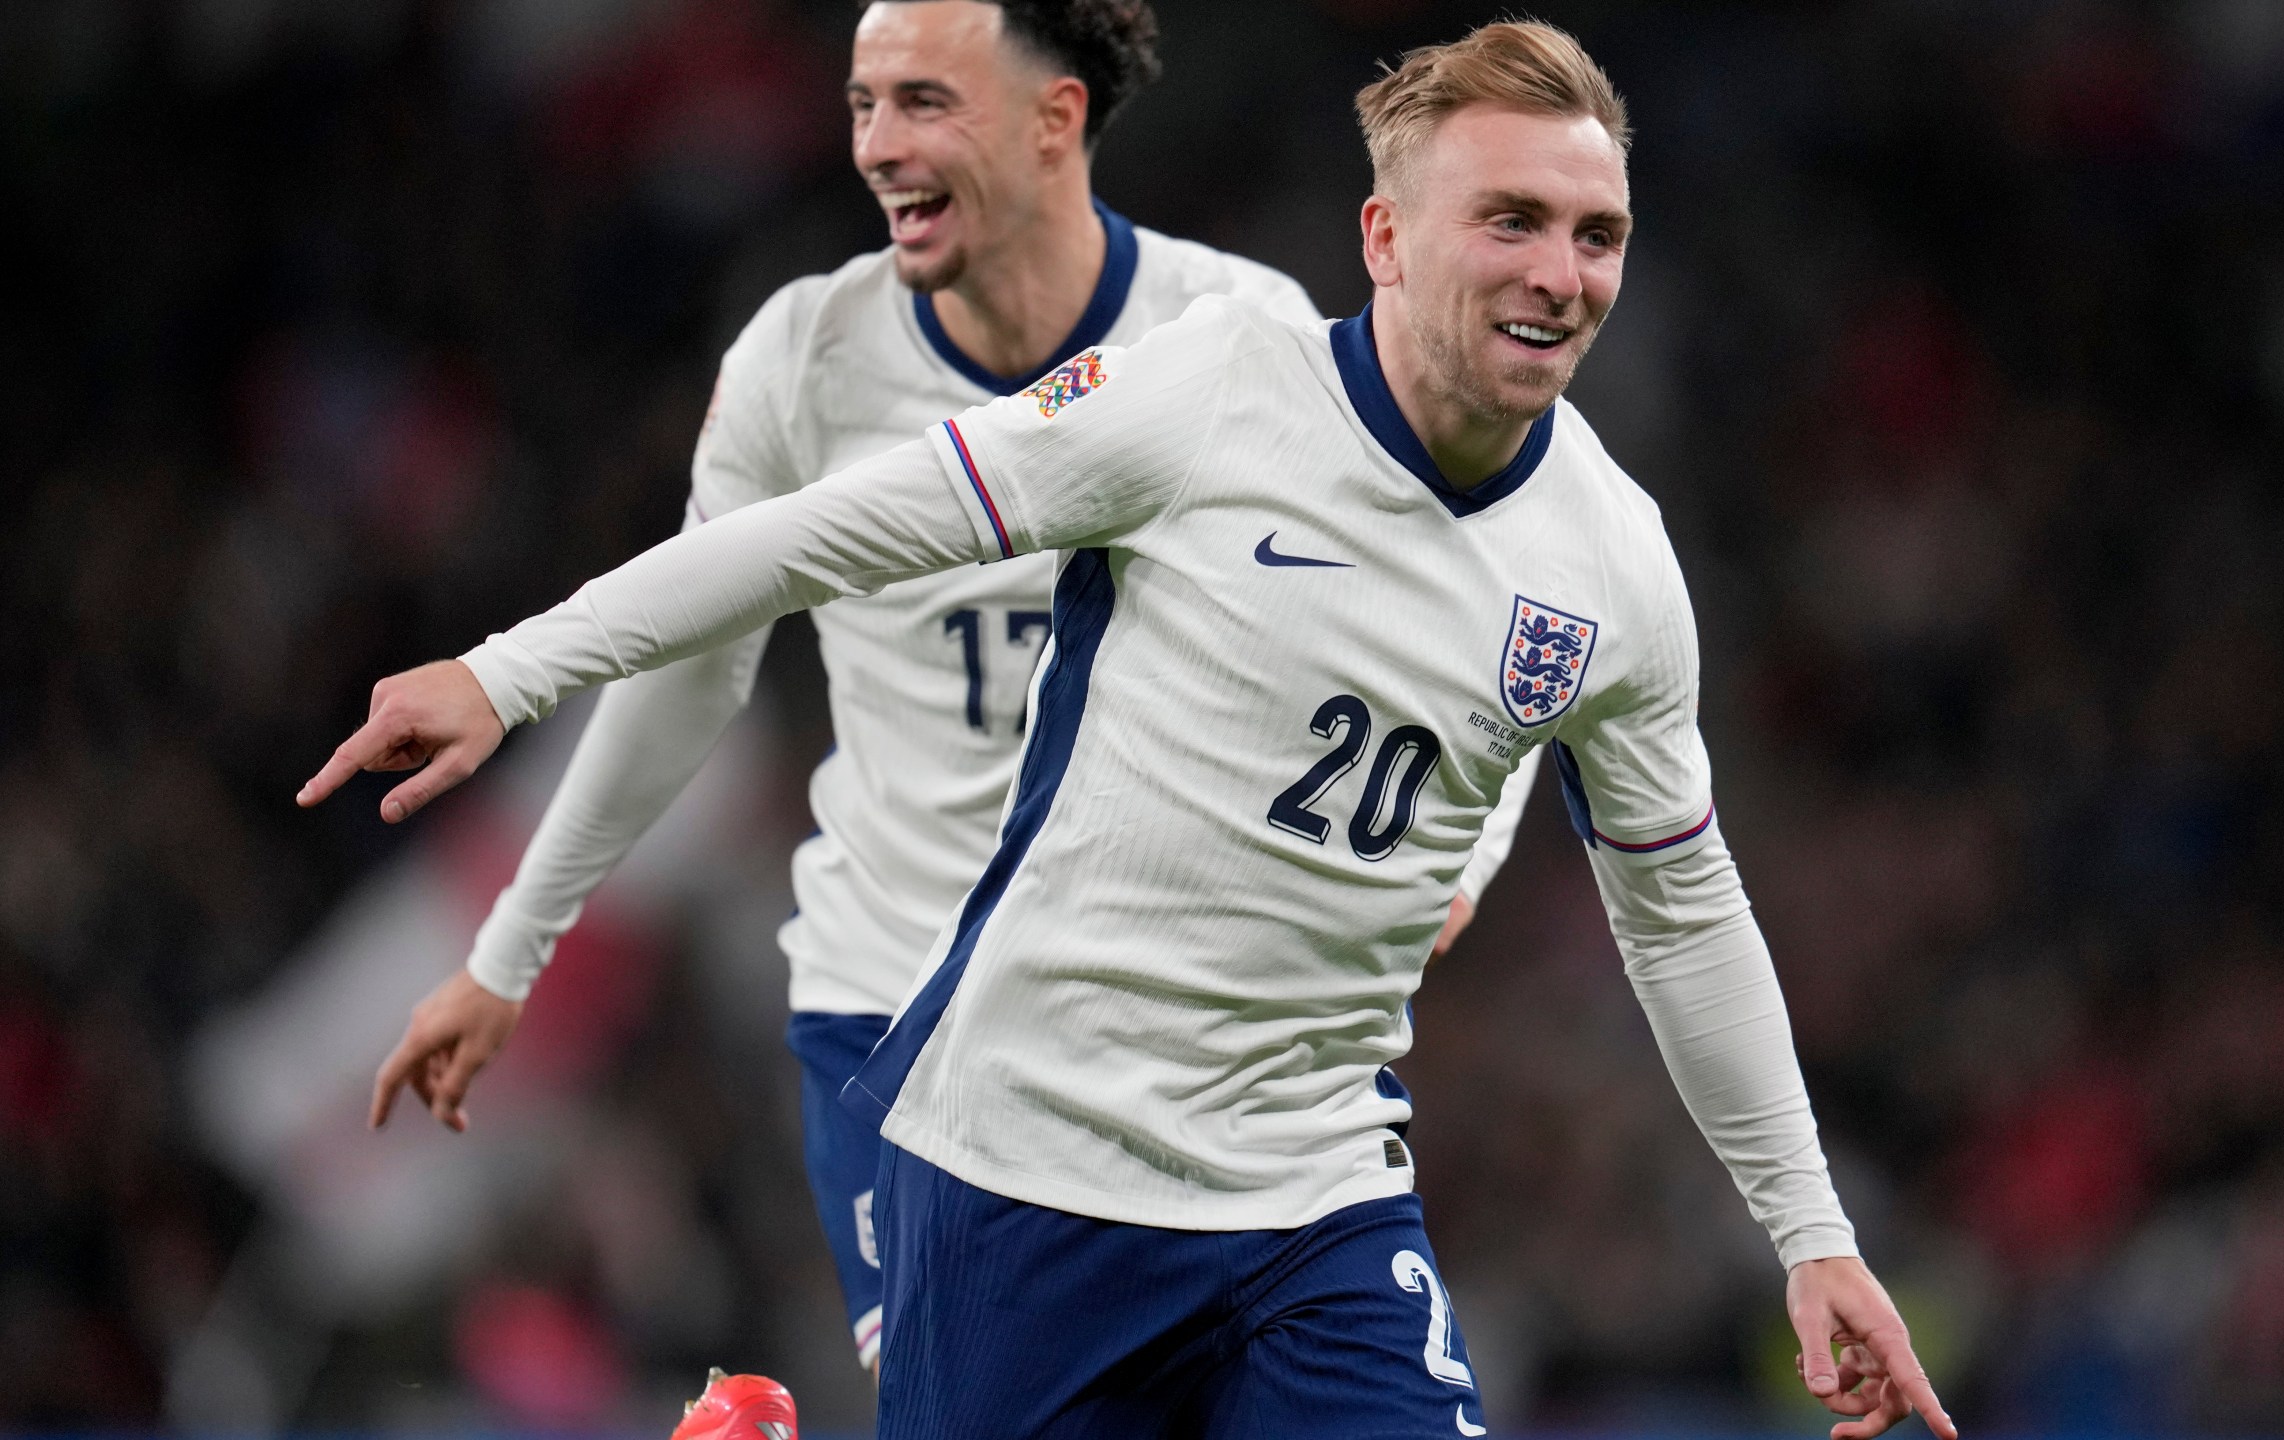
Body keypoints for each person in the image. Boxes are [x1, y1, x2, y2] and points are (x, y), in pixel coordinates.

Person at [307, 19, 1954, 1440]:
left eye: (1596, 233)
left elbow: (1681, 910)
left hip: (1314, 1195)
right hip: (1028, 1163)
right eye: (1510, 220)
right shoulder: (1211, 394)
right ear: (1385, 237)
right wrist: (511, 672)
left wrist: (1812, 1237)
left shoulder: (1615, 563)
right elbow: (824, 534)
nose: (1559, 272)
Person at [356, 0, 1539, 1384]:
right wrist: (514, 947)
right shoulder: (807, 360)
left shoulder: (1235, 332)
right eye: (864, 106)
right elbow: (693, 673)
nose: (878, 147)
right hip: (896, 1022)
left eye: (927, 104)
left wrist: (1477, 850)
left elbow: (1456, 600)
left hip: (1157, 1024)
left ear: (1057, 122)